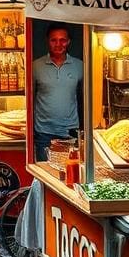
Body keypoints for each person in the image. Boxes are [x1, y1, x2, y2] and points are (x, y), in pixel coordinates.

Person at [32, 23, 83, 161]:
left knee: (70, 173)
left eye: (63, 40)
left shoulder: (79, 66)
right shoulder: (36, 66)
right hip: (44, 133)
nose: (58, 44)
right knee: (46, 176)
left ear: (68, 42)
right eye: (54, 40)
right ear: (48, 41)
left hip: (70, 132)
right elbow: (29, 98)